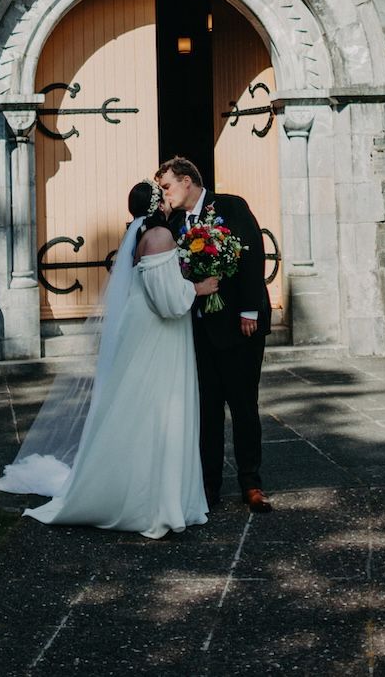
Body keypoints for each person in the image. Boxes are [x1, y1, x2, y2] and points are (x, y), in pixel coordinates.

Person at [0, 181, 218, 539]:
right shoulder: (160, 236)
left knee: (140, 406)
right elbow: (169, 302)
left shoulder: (141, 233)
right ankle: (151, 501)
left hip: (146, 329)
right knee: (157, 409)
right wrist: (198, 287)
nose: (168, 199)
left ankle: (148, 489)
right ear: (157, 205)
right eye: (163, 195)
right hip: (158, 335)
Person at [155, 156, 274, 513]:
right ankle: (208, 486)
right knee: (206, 411)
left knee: (243, 407)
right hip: (198, 332)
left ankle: (251, 483)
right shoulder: (172, 223)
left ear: (187, 181)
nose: (166, 194)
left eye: (168, 186)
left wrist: (250, 309)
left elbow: (253, 253)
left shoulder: (229, 206)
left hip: (241, 326)